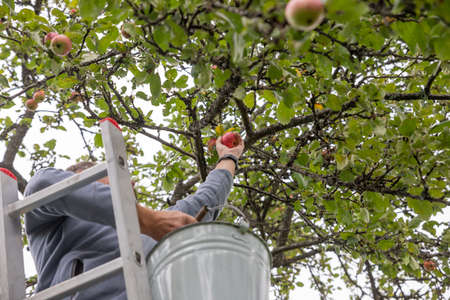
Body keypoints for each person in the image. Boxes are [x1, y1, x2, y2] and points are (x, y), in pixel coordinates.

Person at [24, 136, 244, 299]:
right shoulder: (56, 224)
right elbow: (41, 185)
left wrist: (229, 157)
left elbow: (206, 201)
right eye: (114, 176)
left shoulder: (157, 231)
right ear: (80, 179)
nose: (131, 183)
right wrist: (148, 219)